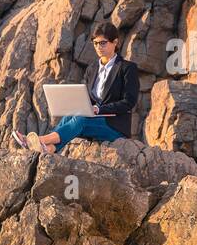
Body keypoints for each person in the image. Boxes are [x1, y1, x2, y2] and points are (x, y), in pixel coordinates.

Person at [13, 22, 139, 155]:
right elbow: (87, 97)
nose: (98, 47)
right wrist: (79, 105)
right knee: (69, 116)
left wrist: (99, 109)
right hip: (94, 120)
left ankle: (39, 140)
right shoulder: (92, 69)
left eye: (103, 43)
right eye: (95, 43)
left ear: (115, 42)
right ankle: (49, 149)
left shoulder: (127, 68)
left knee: (81, 119)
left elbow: (129, 102)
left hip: (114, 126)